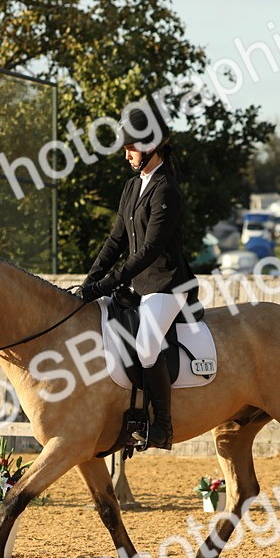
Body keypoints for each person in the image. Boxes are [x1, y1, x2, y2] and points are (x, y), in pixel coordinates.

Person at [76, 102, 197, 450]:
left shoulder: (167, 190)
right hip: (137, 286)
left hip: (166, 285)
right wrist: (89, 283)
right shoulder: (132, 187)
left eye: (131, 147)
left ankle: (163, 426)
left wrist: (108, 283)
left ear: (150, 146)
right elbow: (115, 241)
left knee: (146, 347)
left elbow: (149, 250)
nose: (126, 154)